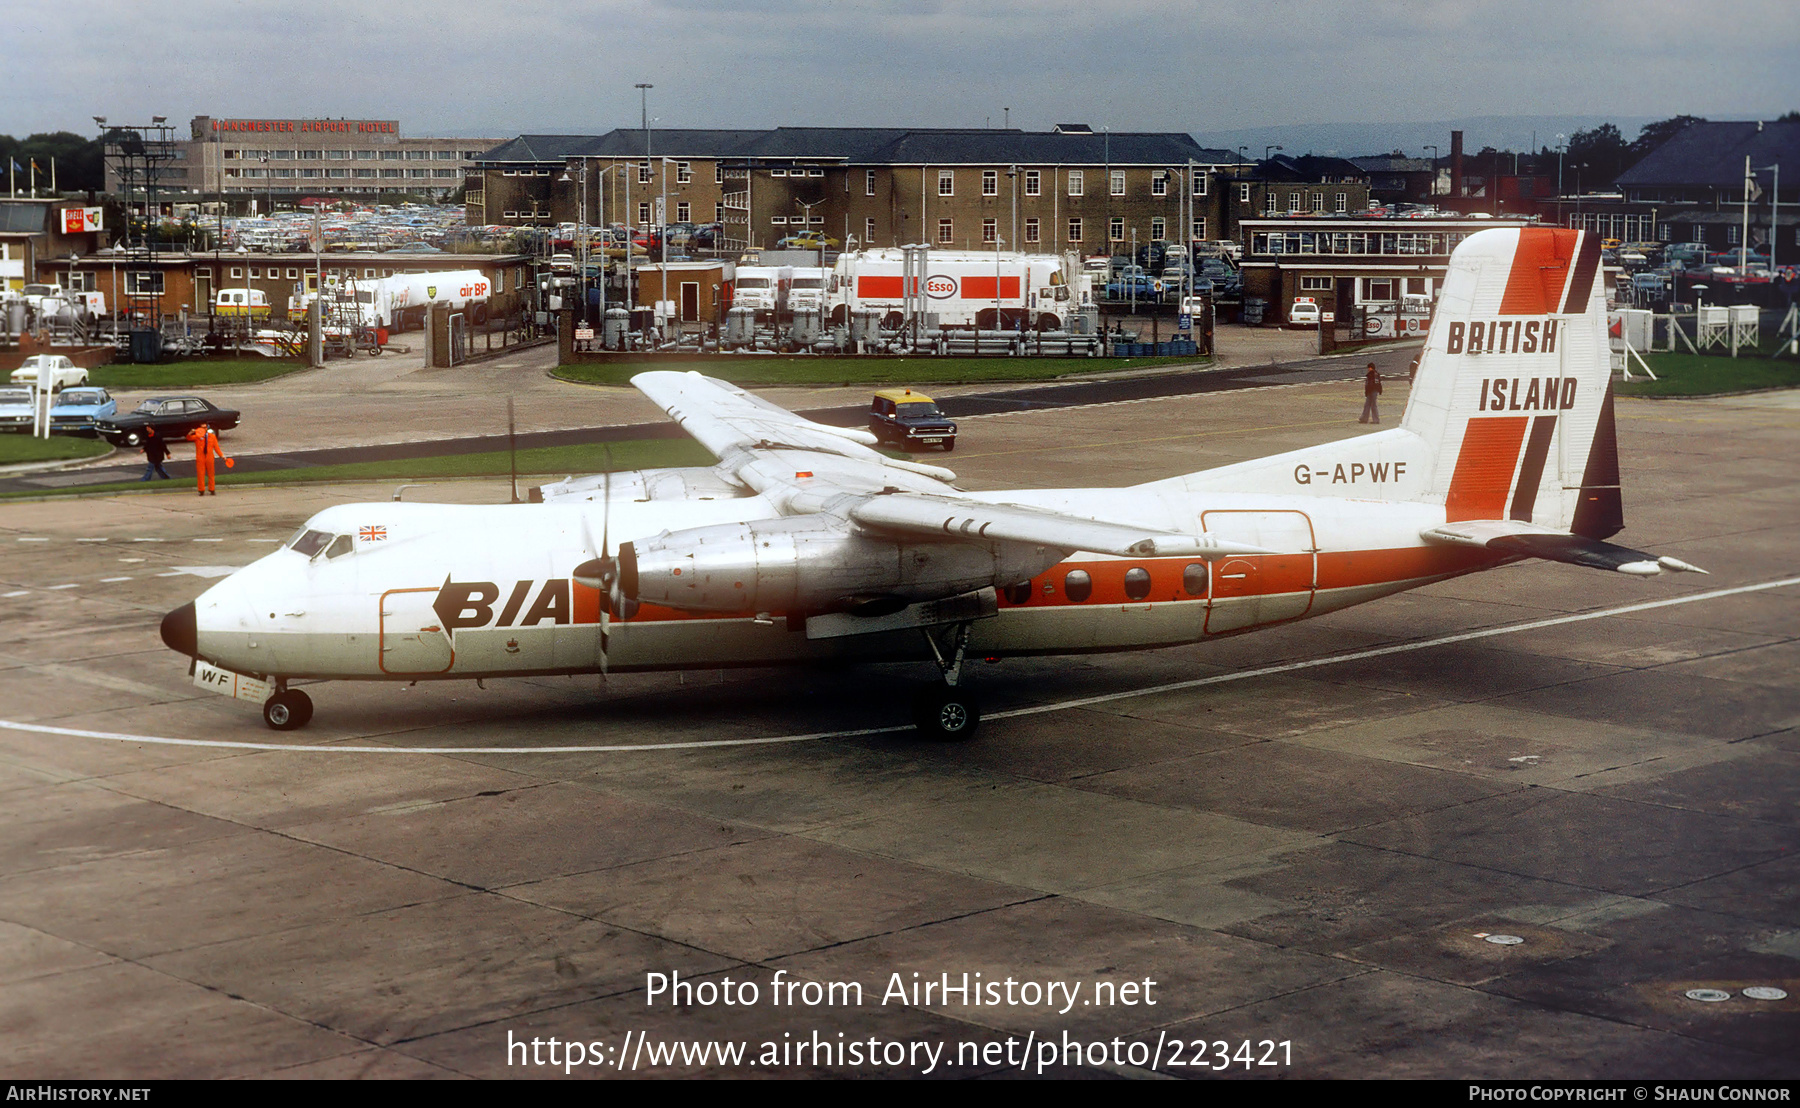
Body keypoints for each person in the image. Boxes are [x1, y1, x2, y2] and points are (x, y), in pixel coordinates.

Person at [185, 423, 230, 496]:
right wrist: (191, 432)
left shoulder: (212, 437)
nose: (204, 429)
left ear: (207, 428)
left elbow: (216, 448)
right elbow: (188, 438)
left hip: (209, 457)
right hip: (200, 458)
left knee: (211, 474)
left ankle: (212, 489)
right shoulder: (197, 437)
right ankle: (201, 490)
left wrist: (222, 456)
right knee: (200, 474)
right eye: (202, 428)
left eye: (205, 427)